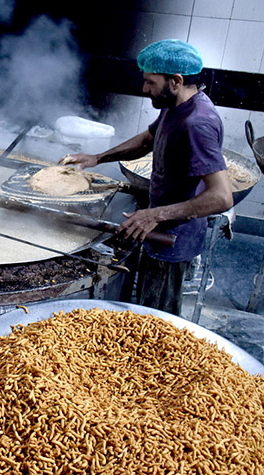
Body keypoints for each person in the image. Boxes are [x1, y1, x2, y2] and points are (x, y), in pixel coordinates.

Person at [59, 39, 233, 315]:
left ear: (175, 80)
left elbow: (221, 197)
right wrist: (97, 158)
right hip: (159, 226)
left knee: (157, 319)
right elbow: (147, 140)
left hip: (174, 239)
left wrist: (155, 215)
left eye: (150, 82)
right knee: (143, 305)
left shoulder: (198, 123)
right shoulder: (175, 104)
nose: (144, 88)